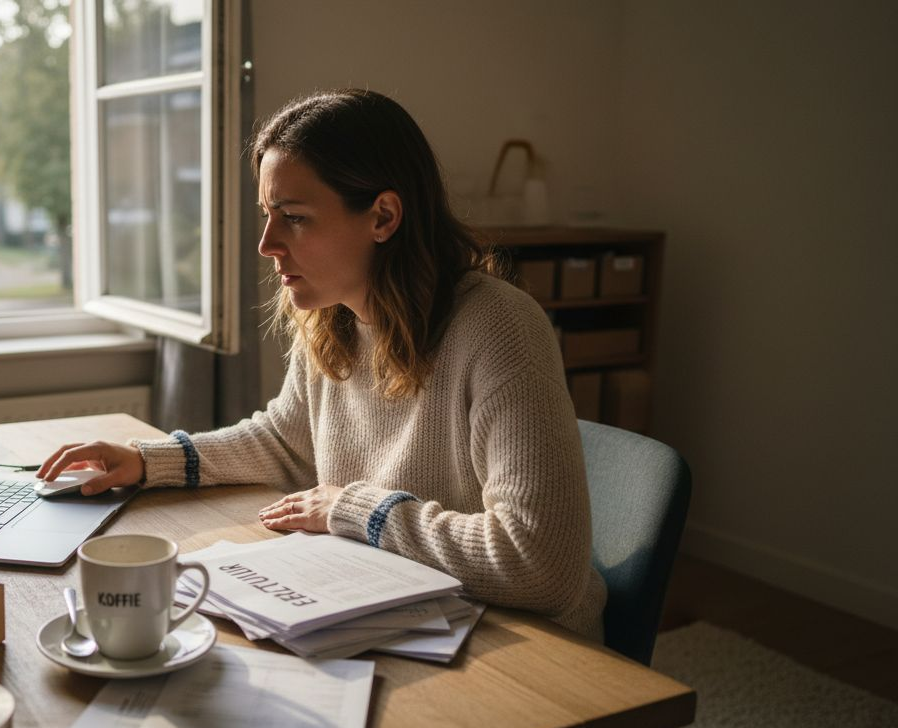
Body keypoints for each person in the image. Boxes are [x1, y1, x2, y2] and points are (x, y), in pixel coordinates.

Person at [38, 89, 605, 639]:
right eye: (267, 213)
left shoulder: (500, 329)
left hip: (527, 644)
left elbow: (540, 566)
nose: (267, 243)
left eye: (294, 217)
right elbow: (286, 441)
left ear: (383, 217)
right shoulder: (331, 315)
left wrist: (357, 509)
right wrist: (147, 461)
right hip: (403, 608)